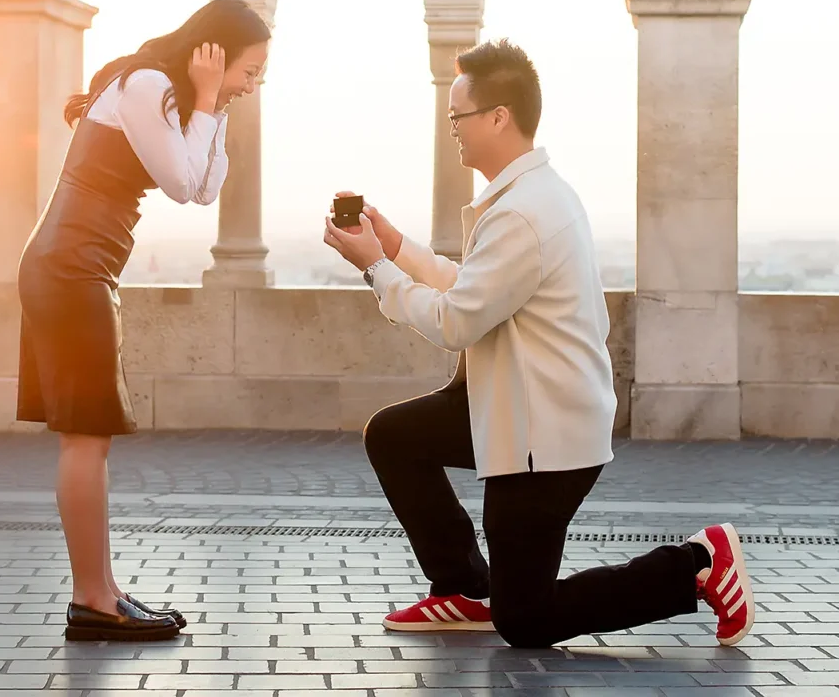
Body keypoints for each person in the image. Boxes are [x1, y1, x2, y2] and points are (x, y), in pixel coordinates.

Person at [323, 38, 754, 649]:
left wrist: (375, 270)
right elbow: (479, 291)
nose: (452, 131)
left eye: (457, 117)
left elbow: (457, 323)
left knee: (525, 619)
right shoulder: (529, 196)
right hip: (508, 407)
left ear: (498, 117)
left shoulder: (523, 211)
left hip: (543, 437)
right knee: (395, 436)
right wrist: (397, 250)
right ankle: (464, 590)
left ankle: (697, 566)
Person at [18, 0, 270, 642]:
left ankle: (100, 594)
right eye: (250, 70)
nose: (253, 84)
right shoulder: (148, 85)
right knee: (85, 435)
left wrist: (216, 104)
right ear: (211, 53)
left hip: (81, 268)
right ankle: (93, 600)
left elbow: (206, 187)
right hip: (70, 269)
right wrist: (210, 100)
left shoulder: (168, 94)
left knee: (89, 436)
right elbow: (184, 185)